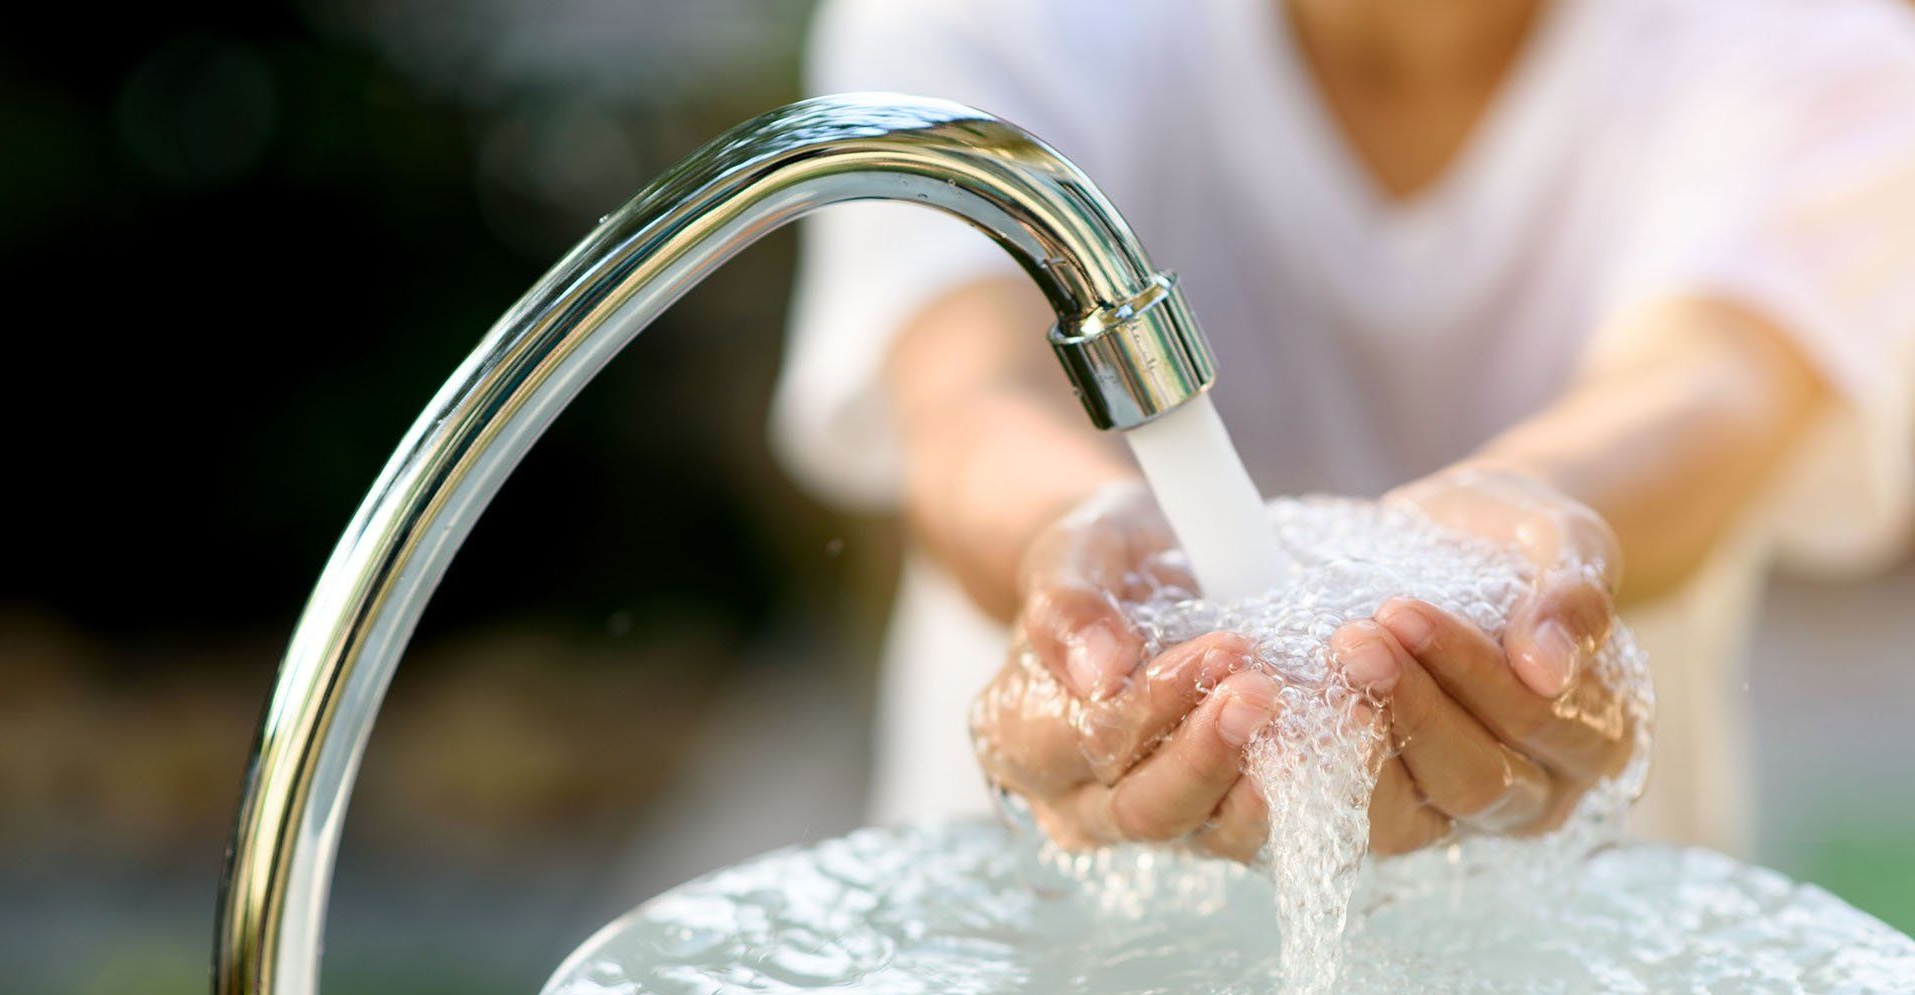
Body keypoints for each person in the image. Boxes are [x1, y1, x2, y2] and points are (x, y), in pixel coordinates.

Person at [773, 0, 1915, 858]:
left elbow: (1713, 384)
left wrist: (1535, 528)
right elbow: (966, 394)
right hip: (1031, 952)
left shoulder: (1803, 39)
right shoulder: (1005, 17)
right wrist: (1065, 551)